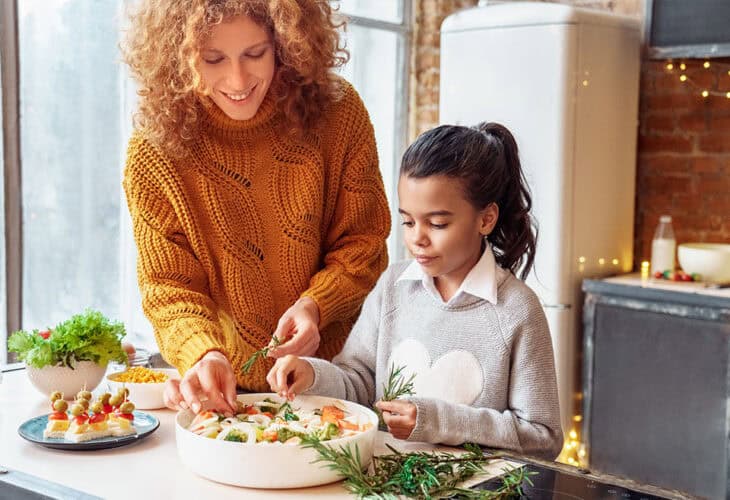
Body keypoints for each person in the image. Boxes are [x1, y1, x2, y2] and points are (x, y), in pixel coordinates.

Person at [121, 0, 390, 415]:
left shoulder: (338, 114)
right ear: (178, 56)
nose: (238, 79)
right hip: (228, 391)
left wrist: (316, 306)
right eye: (213, 59)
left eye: (255, 54)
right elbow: (169, 287)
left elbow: (364, 243)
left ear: (286, 43)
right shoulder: (155, 150)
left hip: (337, 380)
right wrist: (203, 353)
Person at [268, 123, 564, 459]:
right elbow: (360, 382)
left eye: (437, 224)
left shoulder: (517, 311)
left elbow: (543, 437)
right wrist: (312, 374)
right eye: (408, 222)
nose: (417, 238)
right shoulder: (392, 287)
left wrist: (435, 421)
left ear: (486, 219)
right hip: (384, 485)